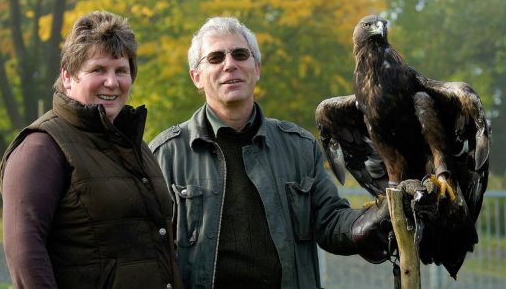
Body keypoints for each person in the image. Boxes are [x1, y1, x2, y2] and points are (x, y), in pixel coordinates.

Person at [149, 16, 393, 289]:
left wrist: (384, 216)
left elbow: (331, 222)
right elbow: (149, 253)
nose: (230, 64)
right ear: (196, 77)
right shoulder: (165, 154)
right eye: (216, 58)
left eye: (240, 54)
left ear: (257, 68)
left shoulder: (299, 147)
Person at [1, 10, 181, 289]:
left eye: (121, 70)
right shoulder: (41, 147)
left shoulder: (135, 145)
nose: (112, 82)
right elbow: (25, 255)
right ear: (69, 76)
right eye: (98, 70)